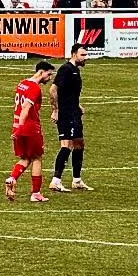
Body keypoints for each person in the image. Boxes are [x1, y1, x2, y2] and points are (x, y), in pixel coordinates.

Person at [5, 61, 55, 203]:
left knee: (25, 158)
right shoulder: (34, 88)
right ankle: (36, 193)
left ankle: (12, 178)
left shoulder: (22, 83)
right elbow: (26, 108)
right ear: (41, 72)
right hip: (29, 127)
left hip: (17, 125)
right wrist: (22, 128)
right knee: (37, 158)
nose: (49, 78)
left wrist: (17, 128)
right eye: (49, 74)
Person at [49, 43, 93, 193]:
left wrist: (77, 104)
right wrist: (55, 110)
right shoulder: (66, 69)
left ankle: (77, 180)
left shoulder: (75, 70)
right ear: (74, 54)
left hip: (74, 112)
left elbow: (69, 92)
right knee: (66, 145)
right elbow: (53, 89)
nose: (85, 58)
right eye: (83, 55)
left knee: (79, 144)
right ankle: (56, 181)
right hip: (66, 114)